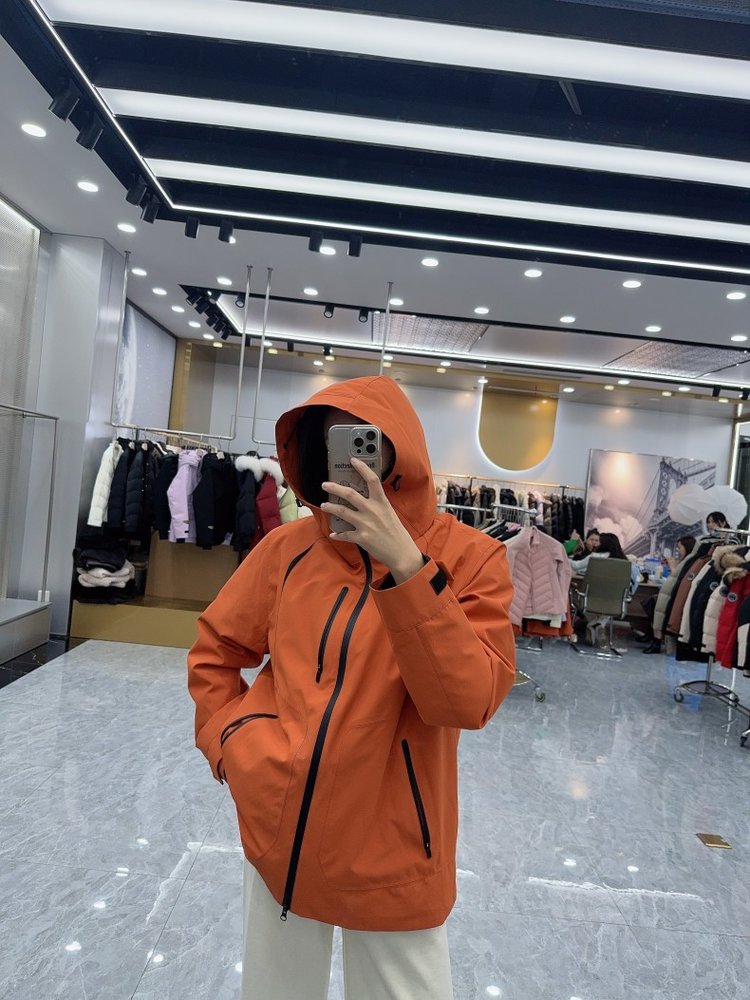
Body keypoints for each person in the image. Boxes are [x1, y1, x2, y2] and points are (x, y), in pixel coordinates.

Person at [187, 376, 516, 1000]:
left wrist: (408, 568)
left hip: (396, 847)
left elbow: (467, 701)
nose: (350, 458)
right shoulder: (287, 549)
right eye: (331, 442)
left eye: (364, 441)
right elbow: (216, 650)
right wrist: (233, 745)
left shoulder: (471, 559)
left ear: (401, 452)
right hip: (280, 827)